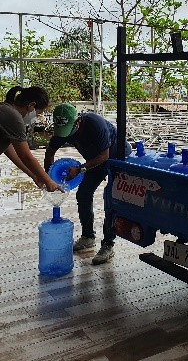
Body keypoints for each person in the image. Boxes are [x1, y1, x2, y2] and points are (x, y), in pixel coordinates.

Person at [0, 85, 62, 296]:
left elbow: (10, 151)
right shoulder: (13, 116)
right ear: (32, 106)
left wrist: (34, 176)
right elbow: (26, 154)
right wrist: (49, 182)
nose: (38, 117)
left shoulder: (3, 112)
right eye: (39, 112)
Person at [43, 103, 132, 265]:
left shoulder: (94, 123)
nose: (65, 134)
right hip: (94, 160)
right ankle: (88, 236)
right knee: (83, 193)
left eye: (69, 129)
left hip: (117, 157)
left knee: (111, 198)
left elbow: (104, 155)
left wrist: (79, 169)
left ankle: (108, 245)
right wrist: (48, 178)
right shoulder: (63, 129)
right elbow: (49, 153)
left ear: (77, 122)